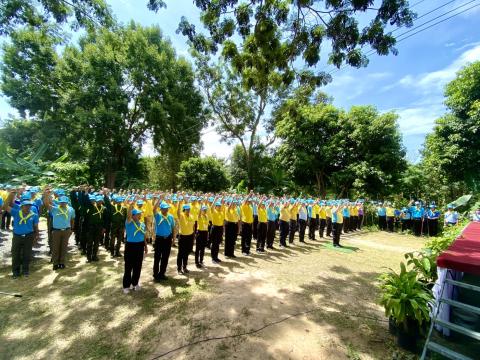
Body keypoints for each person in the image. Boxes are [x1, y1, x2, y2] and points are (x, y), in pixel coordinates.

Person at [45, 194, 75, 270]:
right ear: (59, 202)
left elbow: (72, 219)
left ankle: (62, 262)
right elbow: (46, 204)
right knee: (56, 247)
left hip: (66, 230)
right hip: (56, 231)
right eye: (61, 202)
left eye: (64, 202)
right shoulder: (55, 209)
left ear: (67, 202)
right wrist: (46, 195)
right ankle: (55, 263)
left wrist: (71, 229)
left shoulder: (71, 209)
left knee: (64, 247)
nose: (63, 203)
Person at [123, 205, 148, 294]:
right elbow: (128, 215)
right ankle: (126, 286)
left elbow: (143, 235)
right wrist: (131, 205)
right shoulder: (129, 222)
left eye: (139, 214)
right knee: (128, 266)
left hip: (140, 245)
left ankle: (135, 283)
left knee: (138, 266)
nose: (139, 215)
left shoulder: (142, 224)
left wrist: (145, 246)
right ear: (133, 216)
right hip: (130, 246)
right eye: (137, 214)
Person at [153, 200, 175, 280]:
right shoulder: (158, 215)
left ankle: (162, 273)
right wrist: (158, 199)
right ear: (161, 209)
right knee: (157, 257)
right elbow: (153, 209)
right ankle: (155, 275)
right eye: (164, 209)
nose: (166, 210)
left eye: (167, 208)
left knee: (165, 257)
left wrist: (174, 237)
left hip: (168, 239)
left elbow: (173, 227)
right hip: (159, 239)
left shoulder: (171, 216)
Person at [177, 202, 195, 274]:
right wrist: (179, 204)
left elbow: (193, 226)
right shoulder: (181, 215)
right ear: (183, 210)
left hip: (190, 236)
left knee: (187, 252)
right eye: (186, 209)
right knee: (181, 253)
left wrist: (193, 234)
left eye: (189, 209)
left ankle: (184, 267)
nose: (188, 210)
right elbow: (178, 212)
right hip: (183, 237)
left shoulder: (191, 216)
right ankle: (179, 268)